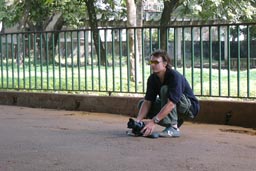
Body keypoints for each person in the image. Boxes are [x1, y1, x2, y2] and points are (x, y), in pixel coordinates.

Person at [136, 49, 200, 137]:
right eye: (151, 62)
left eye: (156, 62)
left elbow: (171, 104)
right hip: (174, 107)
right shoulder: (152, 78)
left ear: (165, 64)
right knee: (142, 104)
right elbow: (148, 101)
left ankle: (173, 127)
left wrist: (153, 121)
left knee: (165, 89)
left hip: (189, 108)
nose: (153, 65)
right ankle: (172, 122)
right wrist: (137, 121)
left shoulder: (174, 76)